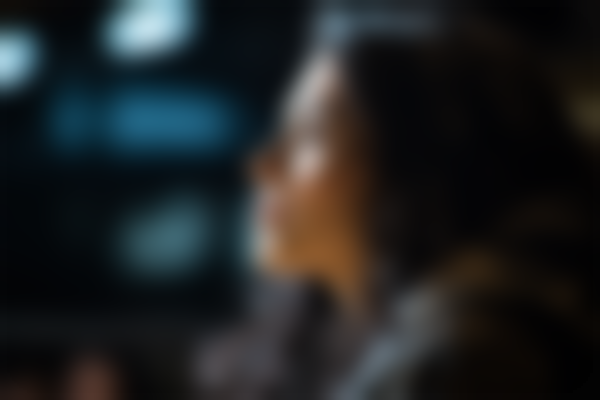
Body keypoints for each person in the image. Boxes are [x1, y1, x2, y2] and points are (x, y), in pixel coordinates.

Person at [194, 18, 598, 400]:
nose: (263, 165)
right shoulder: (336, 336)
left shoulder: (466, 354)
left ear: (423, 163)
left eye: (312, 134)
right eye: (283, 129)